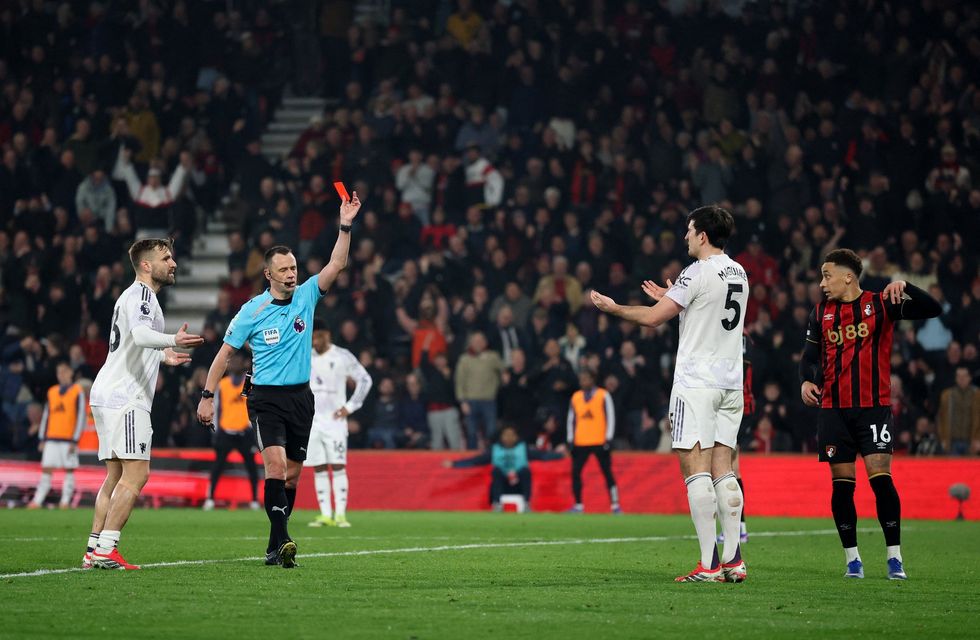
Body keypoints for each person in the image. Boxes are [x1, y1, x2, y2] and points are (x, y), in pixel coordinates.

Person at [196, 192, 362, 569]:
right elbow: (224, 354)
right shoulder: (250, 311)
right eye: (284, 270)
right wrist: (207, 395)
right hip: (266, 399)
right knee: (274, 468)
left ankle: (274, 547)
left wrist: (346, 224)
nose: (292, 274)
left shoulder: (307, 296)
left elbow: (338, 262)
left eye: (294, 268)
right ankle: (285, 538)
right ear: (269, 274)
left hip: (301, 399)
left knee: (291, 477)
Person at [591, 205, 750, 583]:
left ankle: (709, 565)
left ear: (703, 236)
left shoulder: (695, 271)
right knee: (724, 469)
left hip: (697, 382)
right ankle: (734, 561)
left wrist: (614, 309)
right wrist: (674, 296)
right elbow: (708, 310)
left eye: (689, 230)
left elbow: (651, 318)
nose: (685, 236)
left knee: (695, 470)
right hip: (731, 381)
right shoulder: (739, 271)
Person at [799, 248, 942, 580]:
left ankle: (895, 557)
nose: (822, 283)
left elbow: (932, 308)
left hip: (873, 407)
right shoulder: (820, 314)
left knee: (881, 480)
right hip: (833, 410)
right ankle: (853, 560)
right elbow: (808, 357)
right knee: (842, 485)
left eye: (827, 275)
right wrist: (805, 381)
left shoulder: (882, 304)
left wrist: (906, 285)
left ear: (848, 276)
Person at [84, 238, 204, 570]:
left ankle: (93, 548)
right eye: (166, 258)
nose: (174, 263)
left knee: (115, 476)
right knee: (137, 475)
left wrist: (165, 356)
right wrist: (171, 339)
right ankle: (107, 550)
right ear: (147, 265)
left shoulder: (131, 297)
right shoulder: (143, 295)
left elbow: (133, 342)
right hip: (127, 396)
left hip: (107, 392)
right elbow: (138, 335)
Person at [306, 321, 372, 528]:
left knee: (338, 465)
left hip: (335, 422)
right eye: (312, 337)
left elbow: (365, 379)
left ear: (327, 335)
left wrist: (350, 407)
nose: (315, 341)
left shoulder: (342, 356)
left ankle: (341, 514)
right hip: (313, 421)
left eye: (318, 336)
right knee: (318, 466)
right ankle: (326, 514)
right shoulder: (305, 355)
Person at [444, 425, 563, 511]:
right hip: (501, 484)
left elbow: (542, 455)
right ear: (501, 437)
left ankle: (526, 503)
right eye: (506, 435)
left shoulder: (523, 448)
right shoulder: (495, 449)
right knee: (496, 471)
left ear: (516, 437)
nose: (509, 438)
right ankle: (497, 504)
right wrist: (454, 464)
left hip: (519, 484)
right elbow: (476, 461)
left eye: (512, 435)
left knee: (525, 471)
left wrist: (561, 455)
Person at [202, 354, 260, 511]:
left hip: (244, 433)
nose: (233, 363)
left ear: (244, 363)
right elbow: (217, 407)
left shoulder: (248, 383)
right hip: (226, 432)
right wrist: (216, 432)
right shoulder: (223, 384)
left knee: (252, 468)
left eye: (237, 360)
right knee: (217, 467)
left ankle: (255, 499)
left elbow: (252, 406)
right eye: (232, 361)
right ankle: (210, 498)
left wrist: (252, 429)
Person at [29, 361, 86, 509]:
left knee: (69, 469)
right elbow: (47, 416)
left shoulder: (77, 391)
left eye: (64, 371)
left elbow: (81, 416)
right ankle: (37, 500)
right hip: (52, 436)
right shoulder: (52, 391)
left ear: (70, 373)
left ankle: (65, 501)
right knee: (46, 468)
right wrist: (42, 437)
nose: (61, 375)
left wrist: (75, 439)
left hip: (68, 438)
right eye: (59, 372)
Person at [565, 368, 622, 514]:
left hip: (599, 440)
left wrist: (608, 438)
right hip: (580, 441)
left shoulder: (603, 395)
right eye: (581, 379)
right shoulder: (576, 397)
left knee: (607, 473)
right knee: (575, 473)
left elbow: (611, 417)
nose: (583, 382)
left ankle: (615, 505)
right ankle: (578, 505)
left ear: (592, 379)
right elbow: (571, 419)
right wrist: (570, 439)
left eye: (586, 378)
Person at [936, 367, 980, 456]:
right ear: (955, 378)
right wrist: (943, 438)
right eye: (959, 376)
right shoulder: (947, 395)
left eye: (964, 376)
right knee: (953, 468)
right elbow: (941, 418)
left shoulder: (977, 395)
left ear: (969, 378)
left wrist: (978, 438)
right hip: (952, 441)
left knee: (970, 469)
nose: (962, 379)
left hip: (971, 441)